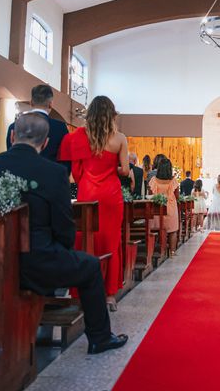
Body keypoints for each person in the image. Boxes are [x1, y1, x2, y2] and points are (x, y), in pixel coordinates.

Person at [0, 113, 127, 354]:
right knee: (91, 266)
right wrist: (58, 252)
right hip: (35, 265)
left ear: (12, 136)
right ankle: (100, 338)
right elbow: (64, 229)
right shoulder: (53, 173)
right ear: (46, 142)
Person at [58, 96, 130, 311]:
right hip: (110, 195)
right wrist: (112, 169)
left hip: (88, 191)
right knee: (110, 240)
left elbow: (75, 171)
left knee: (86, 239)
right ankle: (109, 296)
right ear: (111, 114)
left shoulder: (80, 136)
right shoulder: (119, 138)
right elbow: (125, 170)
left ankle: (81, 290)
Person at [6, 84, 69, 168]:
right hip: (49, 176)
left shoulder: (14, 126)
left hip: (20, 176)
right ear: (50, 104)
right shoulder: (60, 127)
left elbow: (11, 154)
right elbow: (65, 159)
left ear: (31, 102)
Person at [149, 158, 180, 255]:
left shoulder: (153, 180)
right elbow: (177, 196)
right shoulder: (173, 181)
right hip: (170, 207)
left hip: (157, 207)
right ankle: (172, 251)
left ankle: (154, 251)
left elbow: (150, 194)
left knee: (157, 228)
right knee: (173, 230)